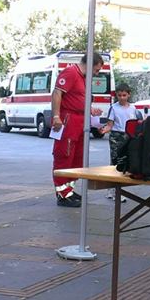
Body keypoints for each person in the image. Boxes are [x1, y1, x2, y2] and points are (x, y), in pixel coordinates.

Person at [51, 52, 105, 208]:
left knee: (77, 157)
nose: (96, 74)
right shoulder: (70, 73)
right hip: (68, 120)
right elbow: (57, 93)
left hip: (79, 120)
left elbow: (77, 99)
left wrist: (90, 109)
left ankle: (69, 191)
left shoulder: (82, 78)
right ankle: (62, 194)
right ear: (89, 64)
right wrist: (56, 117)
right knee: (65, 155)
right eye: (96, 70)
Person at [101, 83, 143, 199]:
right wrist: (104, 130)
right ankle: (112, 190)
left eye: (124, 95)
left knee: (125, 162)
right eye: (119, 95)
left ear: (128, 95)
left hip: (127, 136)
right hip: (116, 135)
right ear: (117, 96)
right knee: (115, 161)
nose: (122, 98)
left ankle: (118, 189)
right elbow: (110, 124)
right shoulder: (114, 108)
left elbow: (136, 123)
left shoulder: (133, 108)